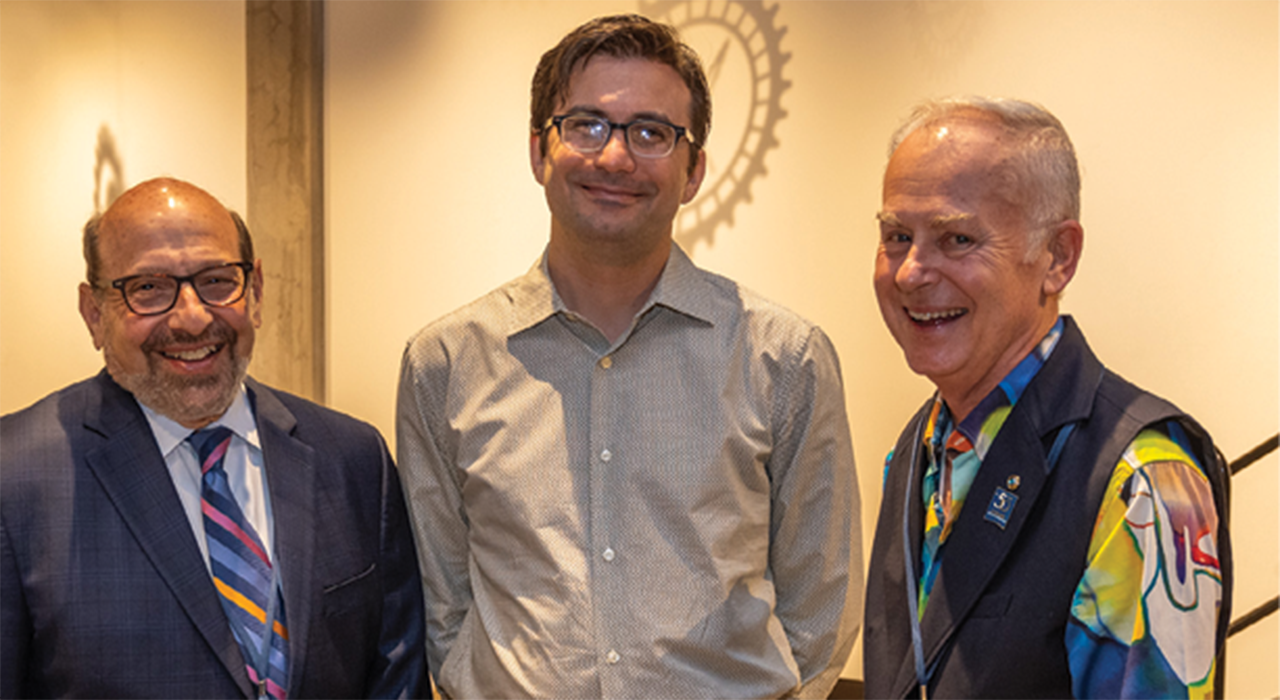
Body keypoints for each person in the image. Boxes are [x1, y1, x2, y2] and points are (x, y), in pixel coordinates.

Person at [396, 14, 861, 699]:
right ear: (538, 152)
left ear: (693, 168)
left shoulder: (784, 359)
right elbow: (443, 599)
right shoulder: (444, 363)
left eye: (652, 133)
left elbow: (820, 606)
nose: (615, 157)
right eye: (586, 124)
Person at [0, 177, 427, 699]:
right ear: (95, 313)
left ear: (257, 291)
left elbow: (395, 680)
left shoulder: (355, 460)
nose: (193, 317)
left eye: (218, 280)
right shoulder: (14, 479)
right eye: (148, 288)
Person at [862, 97, 1231, 699]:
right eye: (897, 236)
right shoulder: (918, 450)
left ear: (1058, 257)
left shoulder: (1141, 482)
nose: (910, 273)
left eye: (957, 239)